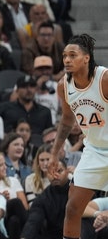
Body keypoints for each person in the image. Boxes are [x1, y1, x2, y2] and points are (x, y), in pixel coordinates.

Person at [48, 33, 108, 239]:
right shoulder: (63, 86)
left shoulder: (104, 79)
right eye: (64, 55)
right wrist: (55, 154)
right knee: (73, 208)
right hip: (94, 151)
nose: (66, 59)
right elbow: (66, 120)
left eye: (72, 55)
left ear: (86, 58)